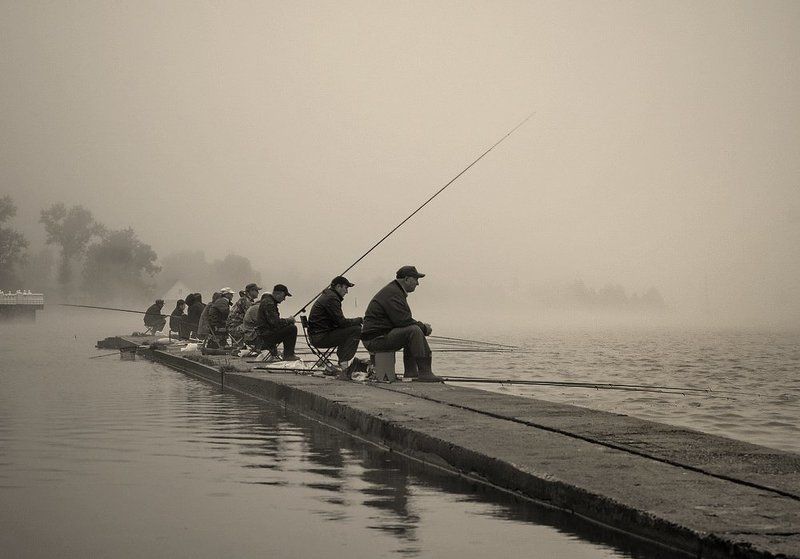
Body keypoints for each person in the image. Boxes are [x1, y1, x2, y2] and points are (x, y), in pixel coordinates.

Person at [361, 266, 440, 382]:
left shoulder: (394, 290)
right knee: (414, 330)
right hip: (375, 339)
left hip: (377, 336)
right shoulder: (393, 293)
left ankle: (411, 373)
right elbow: (403, 321)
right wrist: (424, 328)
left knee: (411, 330)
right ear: (407, 279)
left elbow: (402, 321)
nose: (417, 283)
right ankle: (425, 372)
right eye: (416, 279)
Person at [308, 276, 363, 378]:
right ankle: (344, 364)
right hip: (320, 337)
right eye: (346, 288)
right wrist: (359, 320)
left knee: (351, 329)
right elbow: (342, 322)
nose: (347, 292)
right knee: (356, 330)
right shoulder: (332, 298)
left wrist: (354, 321)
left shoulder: (329, 296)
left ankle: (342, 363)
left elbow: (338, 322)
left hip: (317, 335)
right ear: (338, 286)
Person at [253, 284, 299, 360]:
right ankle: (288, 355)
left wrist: (286, 322)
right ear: (279, 293)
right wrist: (289, 320)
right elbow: (275, 323)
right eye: (284, 296)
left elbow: (274, 322)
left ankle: (288, 354)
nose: (284, 299)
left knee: (289, 327)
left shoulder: (269, 302)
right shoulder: (269, 303)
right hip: (266, 336)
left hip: (265, 334)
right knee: (292, 328)